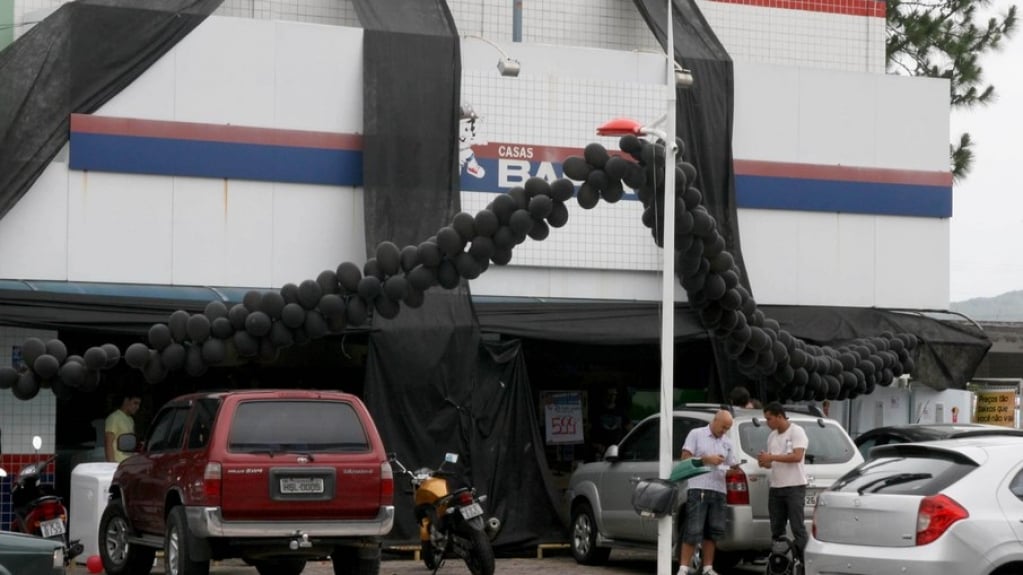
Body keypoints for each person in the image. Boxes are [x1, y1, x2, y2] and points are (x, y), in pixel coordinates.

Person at [677, 410, 740, 575]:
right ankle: (683, 568)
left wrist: (735, 470)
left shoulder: (727, 442)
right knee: (693, 529)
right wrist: (706, 459)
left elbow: (730, 465)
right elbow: (684, 458)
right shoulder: (696, 434)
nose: (724, 431)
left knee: (713, 531)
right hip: (699, 486)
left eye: (727, 428)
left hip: (719, 488)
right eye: (723, 426)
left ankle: (708, 567)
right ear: (715, 420)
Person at [757, 402, 809, 567]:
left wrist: (772, 457)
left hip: (794, 486)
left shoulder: (796, 431)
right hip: (777, 486)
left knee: (797, 526)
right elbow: (772, 464)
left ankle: (803, 560)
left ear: (780, 416)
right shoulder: (772, 436)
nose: (767, 423)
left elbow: (797, 456)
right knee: (777, 527)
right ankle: (779, 561)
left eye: (769, 418)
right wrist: (764, 461)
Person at [589, 386, 631, 460]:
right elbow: (589, 431)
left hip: (617, 450)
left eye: (614, 394)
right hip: (601, 451)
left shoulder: (620, 411)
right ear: (605, 395)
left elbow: (629, 429)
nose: (612, 397)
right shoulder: (597, 411)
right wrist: (596, 445)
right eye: (610, 394)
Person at [105, 388, 142, 463]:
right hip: (117, 463)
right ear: (126, 401)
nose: (137, 407)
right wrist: (112, 464)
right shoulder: (114, 417)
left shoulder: (131, 420)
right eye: (135, 403)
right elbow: (108, 443)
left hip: (128, 463)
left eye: (139, 404)